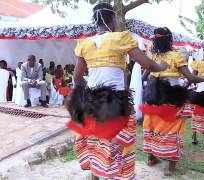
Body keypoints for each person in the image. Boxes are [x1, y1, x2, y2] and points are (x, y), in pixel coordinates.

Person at [65, 3, 168, 180]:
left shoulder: (85, 43)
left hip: (93, 104)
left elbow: (77, 77)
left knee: (96, 142)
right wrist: (161, 65)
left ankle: (96, 175)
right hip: (116, 105)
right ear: (112, 19)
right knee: (120, 144)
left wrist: (90, 91)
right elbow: (147, 64)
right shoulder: (121, 38)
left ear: (95, 20)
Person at [141, 27, 204, 176]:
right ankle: (171, 168)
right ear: (170, 39)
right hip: (171, 100)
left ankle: (151, 159)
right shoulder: (177, 56)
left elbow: (143, 77)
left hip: (154, 98)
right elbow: (191, 78)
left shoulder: (153, 56)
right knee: (173, 130)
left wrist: (157, 79)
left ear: (155, 40)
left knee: (152, 128)